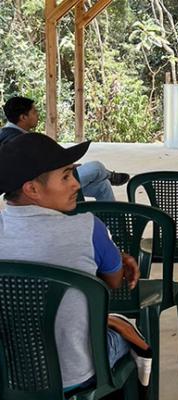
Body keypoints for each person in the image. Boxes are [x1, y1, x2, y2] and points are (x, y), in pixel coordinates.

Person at [0, 133, 150, 393]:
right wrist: (116, 255)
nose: (77, 185)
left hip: (8, 374)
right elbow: (112, 282)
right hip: (72, 373)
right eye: (66, 176)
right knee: (133, 339)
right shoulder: (88, 227)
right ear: (32, 189)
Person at [1, 96, 130, 201]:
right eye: (34, 112)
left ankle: (115, 229)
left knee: (102, 186)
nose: (37, 115)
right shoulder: (17, 141)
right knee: (96, 167)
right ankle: (110, 176)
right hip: (45, 187)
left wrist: (68, 168)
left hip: (50, 182)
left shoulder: (9, 135)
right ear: (23, 117)